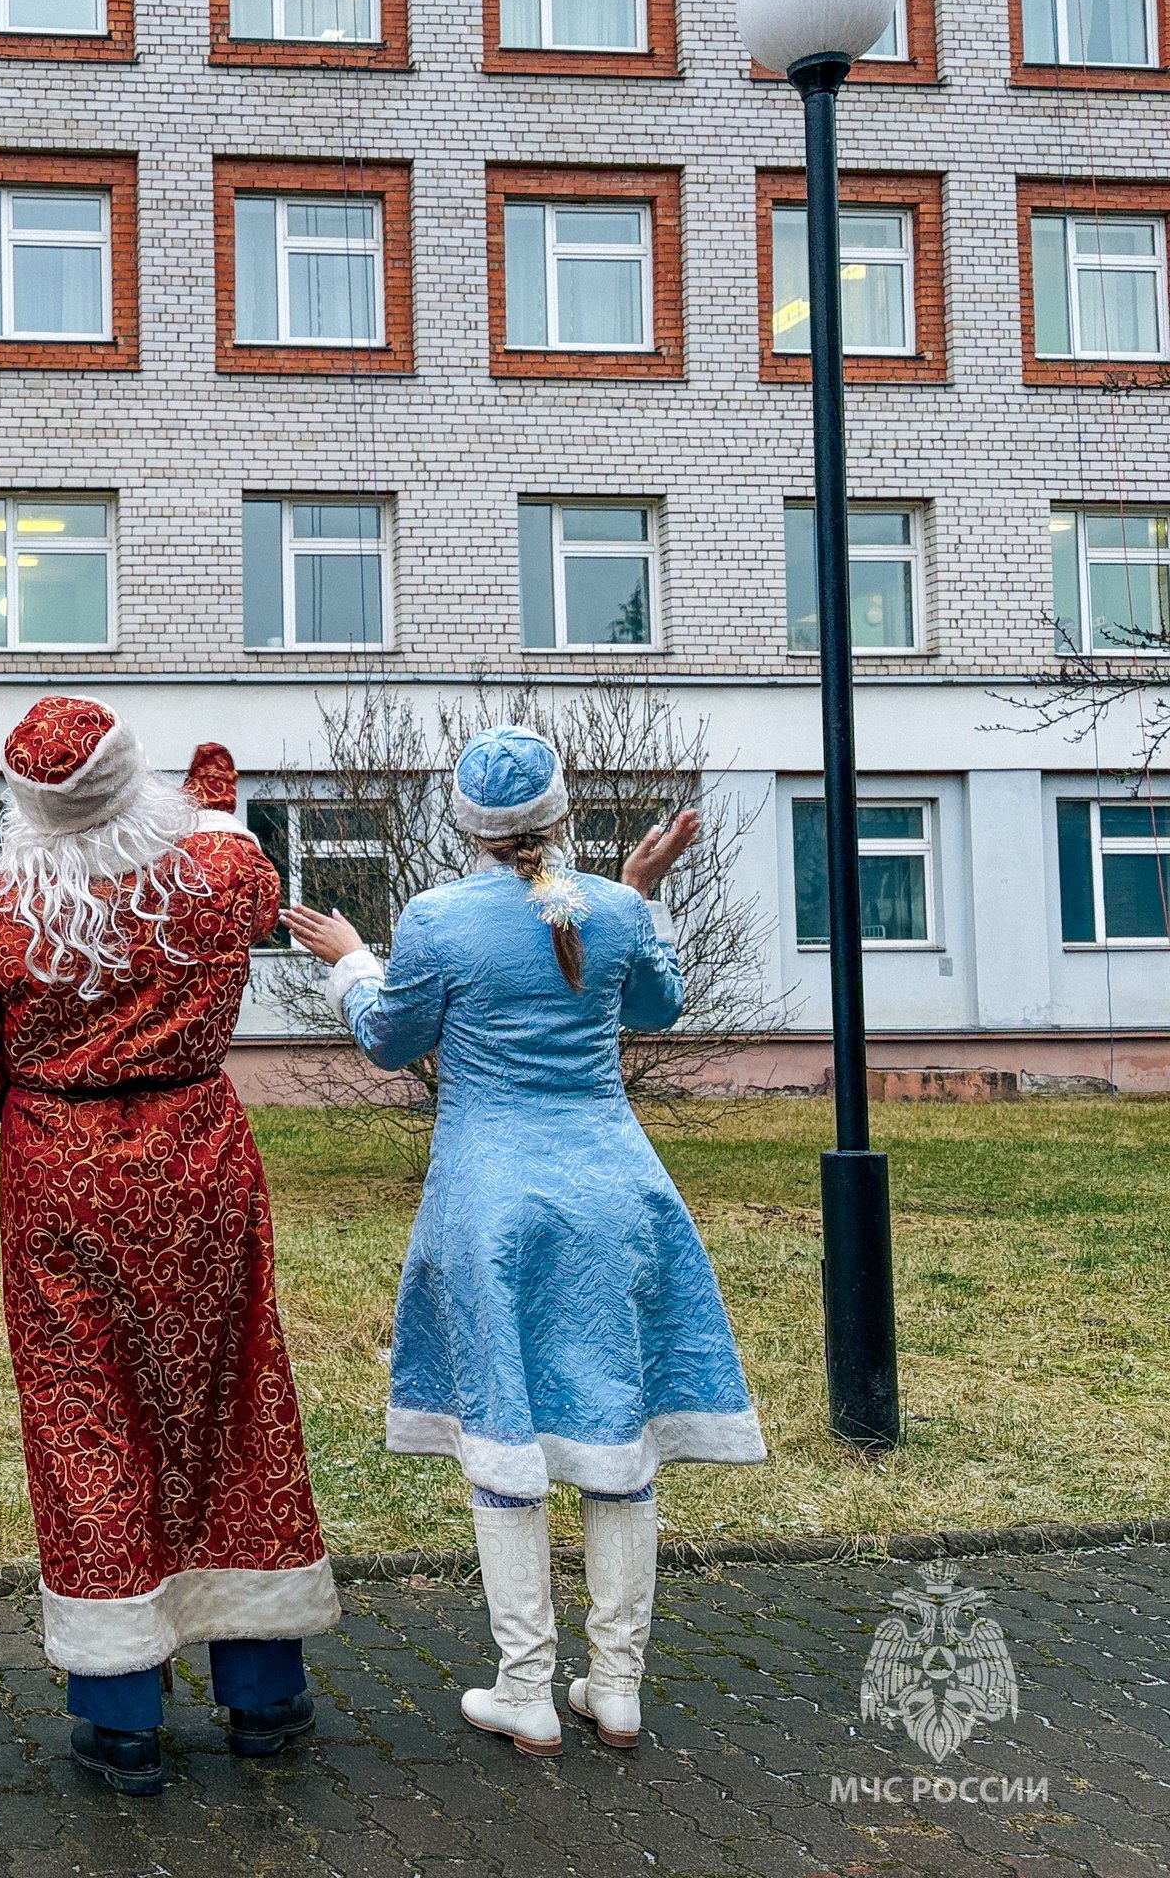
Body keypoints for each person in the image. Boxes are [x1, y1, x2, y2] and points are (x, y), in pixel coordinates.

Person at [281, 725, 766, 1758]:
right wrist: (641, 894)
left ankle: (525, 1690)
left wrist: (351, 960)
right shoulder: (614, 909)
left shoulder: (436, 919)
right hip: (615, 1191)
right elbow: (659, 1007)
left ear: (467, 825)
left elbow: (388, 1040)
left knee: (504, 1429)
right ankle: (618, 1689)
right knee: (616, 1428)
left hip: (493, 1197)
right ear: (561, 811)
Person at [0, 697, 339, 1798]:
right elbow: (245, 867)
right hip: (198, 1156)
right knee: (230, 1389)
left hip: (58, 1178)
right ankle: (261, 1694)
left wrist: (47, 1084)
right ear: (130, 775)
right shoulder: (217, 881)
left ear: (24, 805)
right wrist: (212, 804)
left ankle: (121, 1717)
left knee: (85, 1410)